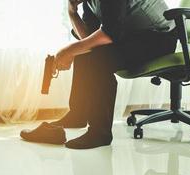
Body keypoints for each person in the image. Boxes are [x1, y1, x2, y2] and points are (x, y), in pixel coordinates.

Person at [41, 0, 177, 149]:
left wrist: (69, 51)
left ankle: (100, 133)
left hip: (159, 38)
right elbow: (88, 38)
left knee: (99, 58)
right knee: (84, 51)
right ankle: (78, 115)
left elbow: (110, 33)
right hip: (134, 35)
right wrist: (72, 13)